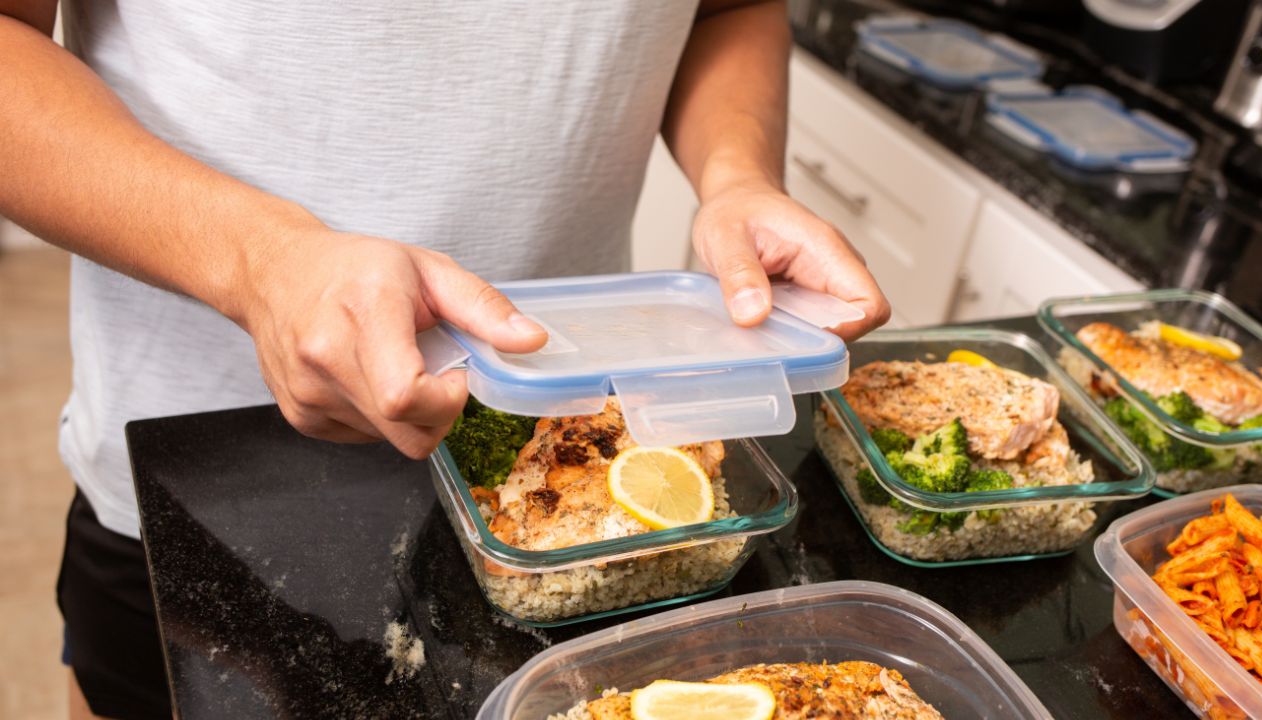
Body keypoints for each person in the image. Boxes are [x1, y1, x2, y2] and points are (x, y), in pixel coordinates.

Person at [0, 0, 891, 717]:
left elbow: (724, 9)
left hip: (586, 486)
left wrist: (739, 176)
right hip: (209, 466)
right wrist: (257, 262)